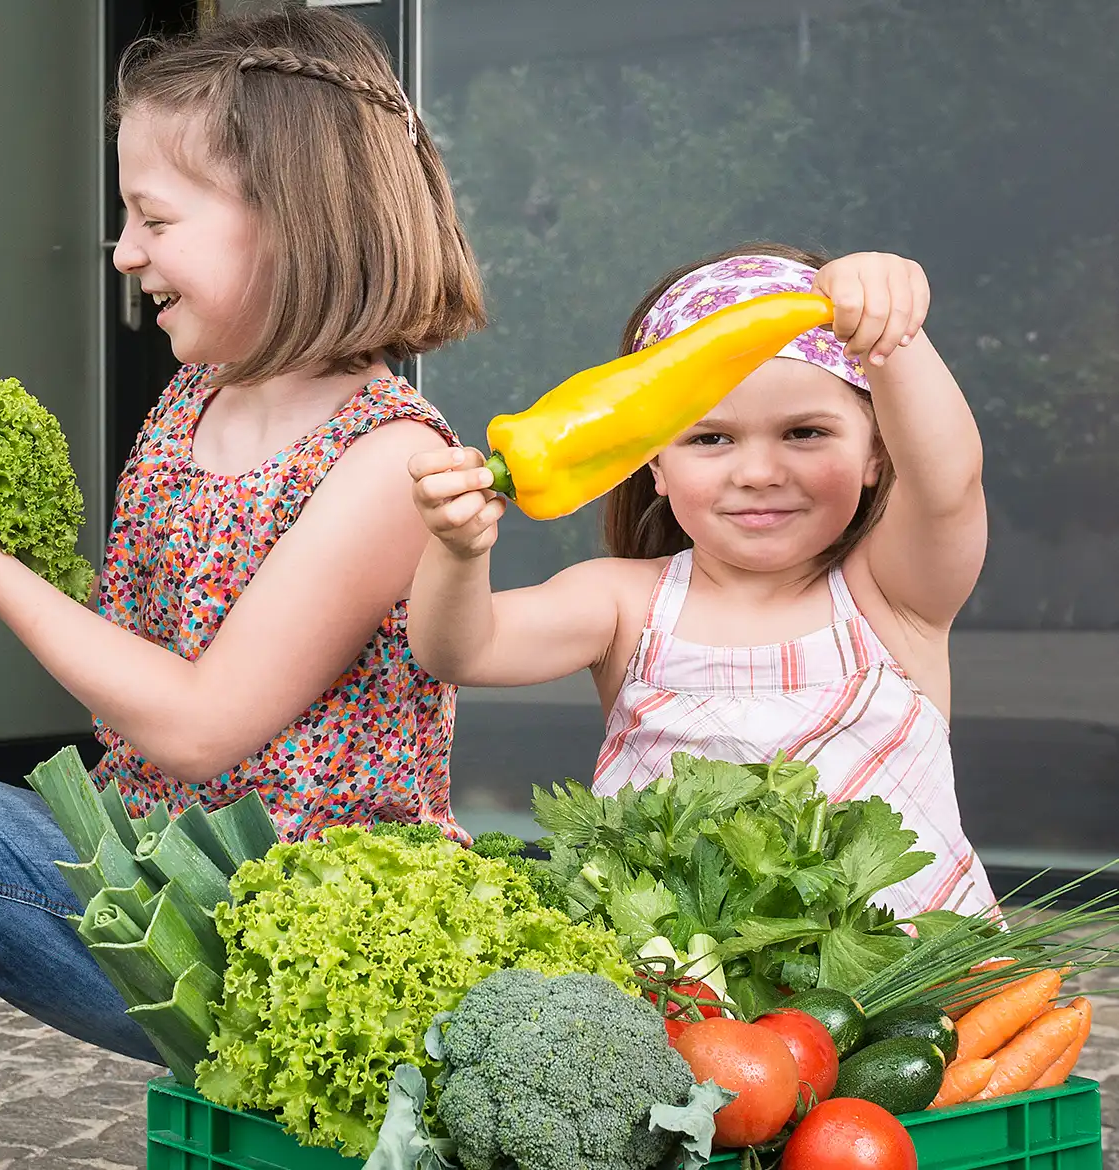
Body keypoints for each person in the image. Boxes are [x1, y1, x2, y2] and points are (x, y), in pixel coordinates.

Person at [0, 9, 484, 1167]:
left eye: (154, 218)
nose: (124, 251)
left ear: (295, 222)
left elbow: (200, 726)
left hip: (282, 928)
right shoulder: (199, 398)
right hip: (149, 872)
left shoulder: (390, 458)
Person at [409, 244, 996, 918]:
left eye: (804, 432)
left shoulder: (893, 594)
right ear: (653, 465)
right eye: (710, 439)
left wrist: (894, 339)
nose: (758, 472)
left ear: (876, 452)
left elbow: (948, 486)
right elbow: (459, 651)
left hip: (912, 993)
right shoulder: (624, 602)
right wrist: (456, 550)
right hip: (689, 999)